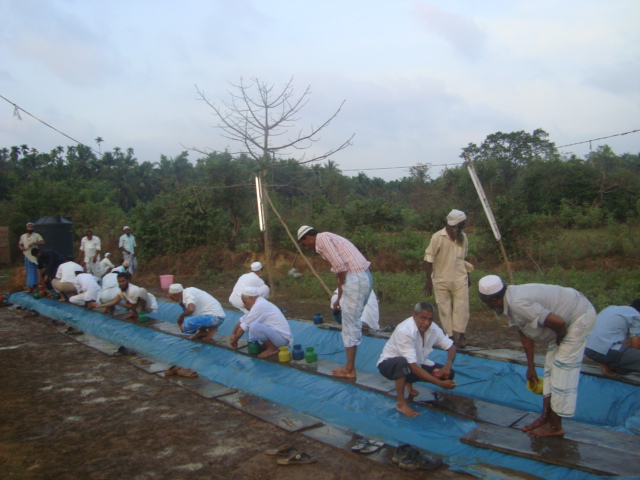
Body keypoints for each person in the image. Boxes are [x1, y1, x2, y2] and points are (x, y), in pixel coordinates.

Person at [478, 275, 596, 438]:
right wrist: (531, 367)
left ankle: (555, 427)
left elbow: (559, 323)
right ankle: (546, 417)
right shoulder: (510, 301)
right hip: (563, 323)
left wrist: (561, 338)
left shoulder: (518, 303)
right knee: (550, 368)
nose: (488, 308)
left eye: (487, 304)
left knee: (562, 369)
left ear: (494, 301)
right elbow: (525, 335)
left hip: (579, 316)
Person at [298, 225, 372, 378]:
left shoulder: (322, 239)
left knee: (350, 325)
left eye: (304, 244)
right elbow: (341, 268)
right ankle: (349, 366)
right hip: (360, 277)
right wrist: (339, 296)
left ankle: (350, 369)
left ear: (307, 237)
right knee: (350, 321)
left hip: (355, 279)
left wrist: (340, 290)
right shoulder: (328, 237)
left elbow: (340, 266)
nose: (306, 247)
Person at [377, 302, 456, 417]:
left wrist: (447, 366)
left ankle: (408, 381)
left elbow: (451, 347)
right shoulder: (404, 331)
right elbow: (413, 366)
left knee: (449, 374)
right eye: (423, 318)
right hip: (389, 365)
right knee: (402, 363)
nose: (426, 323)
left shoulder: (433, 328)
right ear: (414, 316)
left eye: (430, 319)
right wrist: (440, 383)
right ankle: (401, 403)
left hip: (415, 365)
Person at [423, 209, 472, 348]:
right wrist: (428, 281)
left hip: (460, 278)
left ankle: (461, 335)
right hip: (441, 279)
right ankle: (449, 336)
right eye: (462, 225)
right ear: (455, 224)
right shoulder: (438, 237)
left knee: (462, 307)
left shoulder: (463, 237)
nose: (464, 227)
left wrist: (468, 275)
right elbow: (428, 260)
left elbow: (464, 258)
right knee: (444, 308)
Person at [229, 286, 293, 358]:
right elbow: (242, 321)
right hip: (276, 336)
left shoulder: (259, 306)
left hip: (282, 339)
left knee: (254, 326)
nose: (244, 305)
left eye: (245, 302)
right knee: (252, 325)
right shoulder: (256, 303)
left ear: (250, 298)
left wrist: (235, 340)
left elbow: (242, 328)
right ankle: (267, 345)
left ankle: (272, 348)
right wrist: (233, 333)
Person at [584, 300, 640, 377]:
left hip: (587, 348)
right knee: (634, 358)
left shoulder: (611, 308)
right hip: (603, 351)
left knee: (621, 352)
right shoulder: (636, 315)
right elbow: (635, 345)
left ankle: (608, 367)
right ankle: (614, 368)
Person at [89, 272, 157, 319]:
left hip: (148, 307)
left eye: (123, 281)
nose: (121, 283)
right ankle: (134, 313)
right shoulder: (122, 290)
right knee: (125, 298)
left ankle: (141, 313)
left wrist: (119, 303)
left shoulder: (132, 290)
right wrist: (98, 305)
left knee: (141, 290)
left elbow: (132, 306)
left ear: (127, 280)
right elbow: (113, 301)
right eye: (119, 281)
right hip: (137, 304)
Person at [18, 222, 44, 293]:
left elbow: (42, 242)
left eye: (31, 227)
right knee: (28, 271)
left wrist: (34, 243)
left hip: (33, 255)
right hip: (26, 255)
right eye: (28, 227)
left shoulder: (36, 235)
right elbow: (20, 244)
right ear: (26, 228)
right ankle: (29, 287)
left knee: (34, 270)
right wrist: (21, 248)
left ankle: (35, 286)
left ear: (33, 228)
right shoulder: (23, 236)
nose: (30, 228)